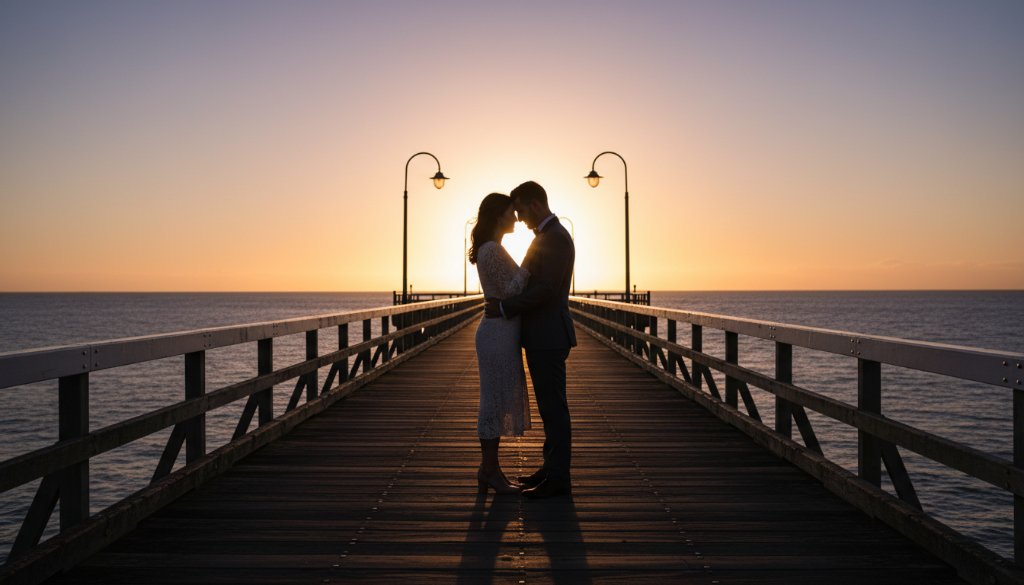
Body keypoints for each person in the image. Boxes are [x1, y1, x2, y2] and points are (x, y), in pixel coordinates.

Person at [485, 181, 576, 499]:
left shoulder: (555, 238)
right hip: (544, 335)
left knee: (554, 409)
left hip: (549, 335)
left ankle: (558, 480)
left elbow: (547, 290)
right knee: (550, 408)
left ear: (535, 205)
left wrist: (503, 307)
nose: (520, 218)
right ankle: (551, 469)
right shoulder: (549, 236)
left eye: (521, 209)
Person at [470, 193, 532, 494]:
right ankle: (490, 471)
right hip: (496, 333)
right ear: (498, 216)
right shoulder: (492, 249)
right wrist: (529, 266)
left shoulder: (493, 248)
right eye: (512, 212)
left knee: (497, 399)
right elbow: (509, 291)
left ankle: (489, 469)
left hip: (501, 331)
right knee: (492, 402)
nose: (516, 218)